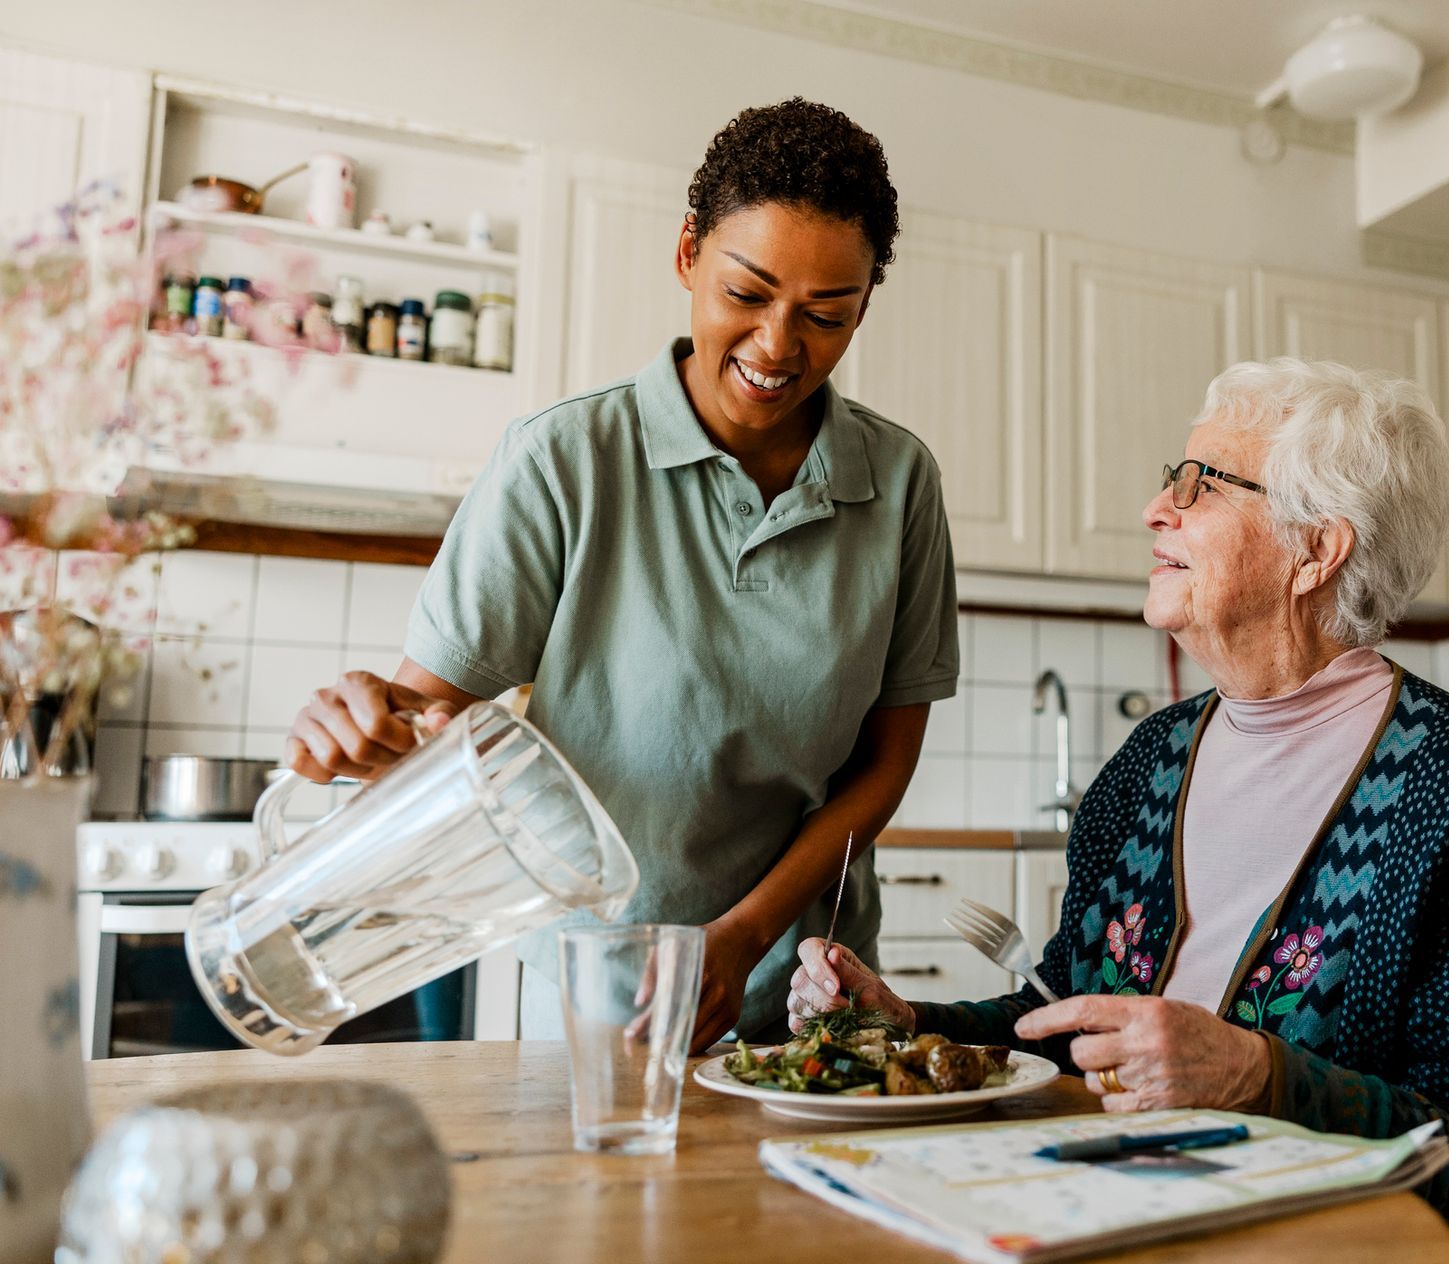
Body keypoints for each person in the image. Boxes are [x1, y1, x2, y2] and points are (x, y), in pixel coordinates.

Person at [789, 357, 1449, 1263]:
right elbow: (1058, 1021)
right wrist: (909, 1026)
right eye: (1174, 478)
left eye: (1201, 484)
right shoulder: (1147, 765)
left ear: (1316, 550)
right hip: (1153, 1221)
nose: (1155, 508)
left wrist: (1259, 1076)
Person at [286, 99, 959, 1049]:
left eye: (825, 315)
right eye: (747, 293)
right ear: (688, 252)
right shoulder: (562, 460)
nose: (777, 346)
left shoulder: (899, 485)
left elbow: (884, 763)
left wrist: (739, 938)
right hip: (600, 980)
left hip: (813, 985)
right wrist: (361, 724)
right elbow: (426, 715)